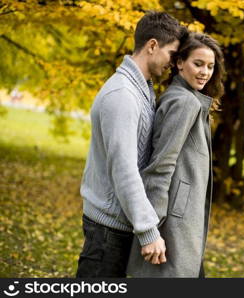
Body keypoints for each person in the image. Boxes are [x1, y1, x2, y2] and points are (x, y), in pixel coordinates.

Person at [76, 11, 187, 277]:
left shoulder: (141, 89)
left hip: (118, 227)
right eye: (172, 54)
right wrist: (149, 231)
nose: (173, 64)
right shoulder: (123, 95)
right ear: (152, 46)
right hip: (108, 232)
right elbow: (124, 169)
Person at [126, 32, 225, 277]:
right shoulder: (184, 103)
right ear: (180, 63)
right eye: (198, 64)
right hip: (173, 226)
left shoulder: (184, 98)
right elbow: (161, 165)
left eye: (210, 66)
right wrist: (151, 228)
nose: (205, 72)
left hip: (181, 223)